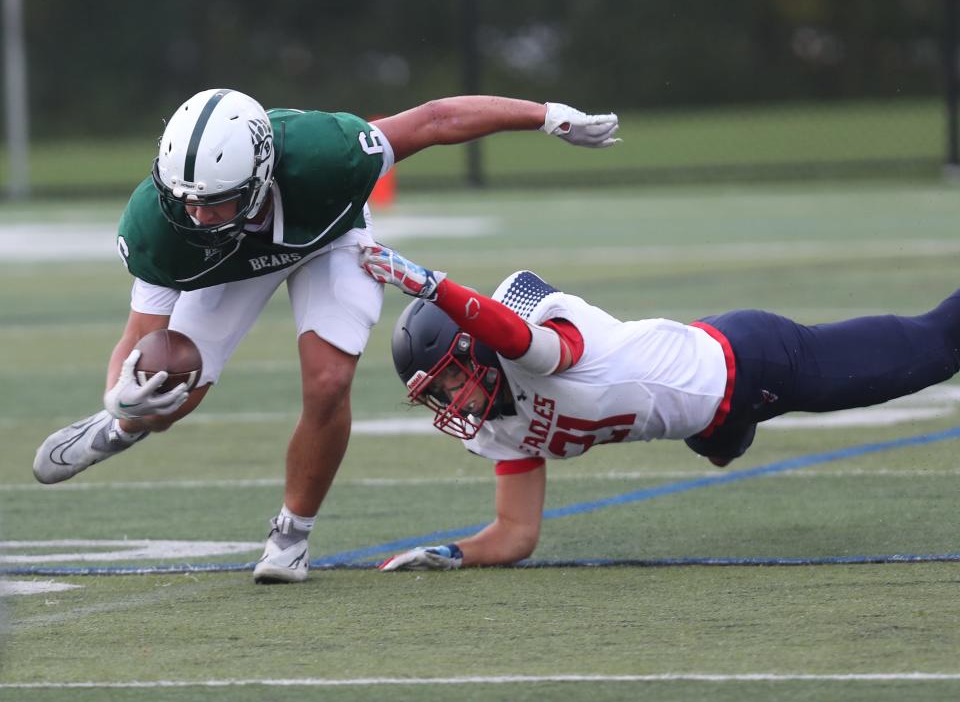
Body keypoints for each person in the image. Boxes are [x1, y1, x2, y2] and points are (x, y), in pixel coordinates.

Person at [31, 88, 621, 583]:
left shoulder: (328, 154)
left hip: (329, 240)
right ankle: (118, 429)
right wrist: (120, 397)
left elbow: (436, 120)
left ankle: (291, 535)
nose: (197, 218)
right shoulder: (161, 226)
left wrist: (546, 115)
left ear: (263, 176)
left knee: (329, 378)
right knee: (165, 383)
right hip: (233, 266)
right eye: (185, 203)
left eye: (216, 204)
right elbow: (141, 334)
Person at [359, 244, 960, 570]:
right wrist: (454, 552)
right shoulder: (498, 427)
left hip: (752, 362)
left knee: (936, 347)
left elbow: (519, 341)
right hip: (708, 417)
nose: (452, 400)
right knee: (722, 449)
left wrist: (433, 285)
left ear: (475, 346)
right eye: (437, 394)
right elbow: (516, 534)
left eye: (450, 380)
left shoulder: (532, 340)